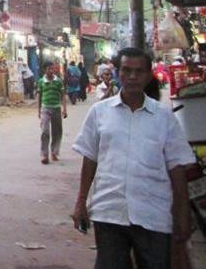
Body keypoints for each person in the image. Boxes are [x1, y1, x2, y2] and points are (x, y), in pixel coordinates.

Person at [72, 47, 195, 268]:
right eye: (126, 70)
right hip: (109, 212)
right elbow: (89, 158)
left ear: (149, 75)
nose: (132, 77)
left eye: (139, 71)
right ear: (117, 72)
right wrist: (81, 201)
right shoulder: (99, 112)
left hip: (153, 214)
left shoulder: (164, 117)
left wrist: (183, 213)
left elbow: (177, 168)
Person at [38, 61, 67, 164]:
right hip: (45, 109)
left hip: (56, 108)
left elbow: (63, 95)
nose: (51, 71)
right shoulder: (41, 81)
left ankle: (54, 152)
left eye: (52, 69)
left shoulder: (58, 81)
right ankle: (45, 155)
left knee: (57, 131)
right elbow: (40, 96)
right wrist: (38, 110)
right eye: (49, 69)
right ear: (45, 70)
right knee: (45, 131)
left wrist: (64, 109)